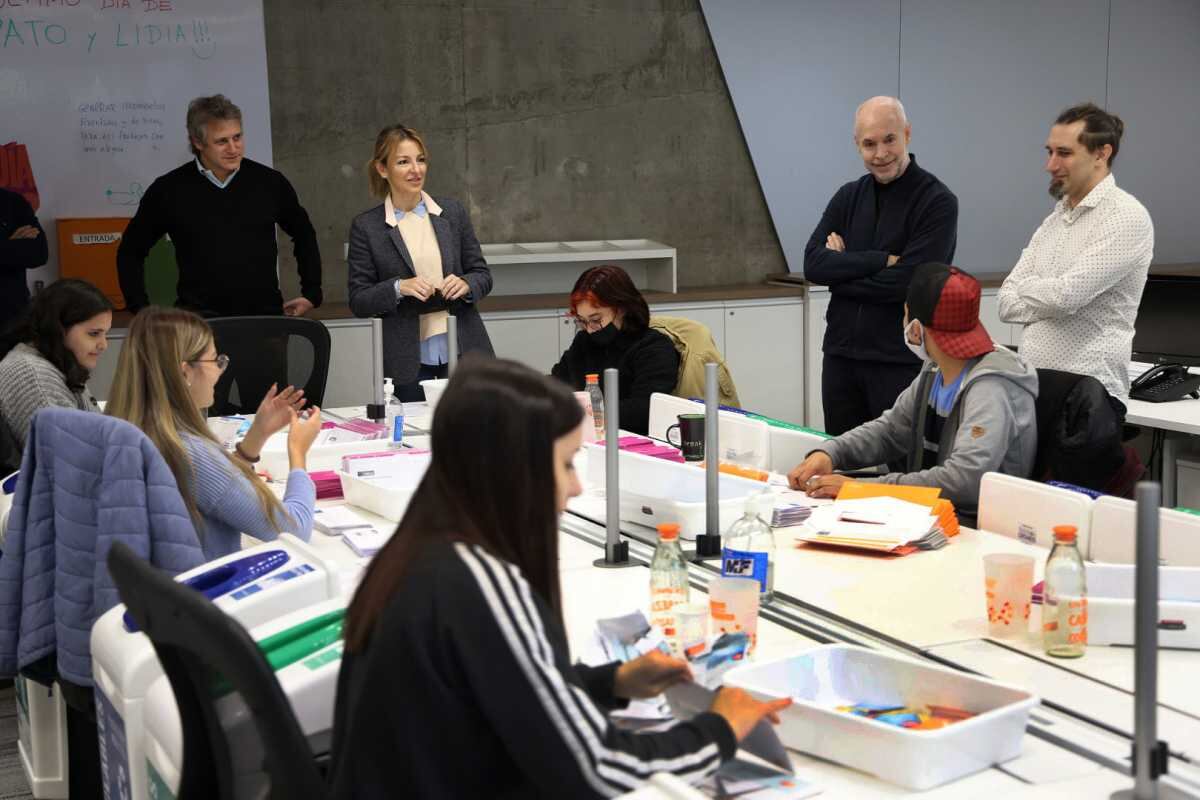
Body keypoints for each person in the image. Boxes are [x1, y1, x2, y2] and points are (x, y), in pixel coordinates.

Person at [330, 358, 790, 799]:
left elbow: (504, 691)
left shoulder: (420, 552)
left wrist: (611, 683)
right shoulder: (478, 583)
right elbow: (599, 771)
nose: (576, 486)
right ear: (516, 469)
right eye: (567, 463)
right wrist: (721, 729)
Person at [788, 264, 1038, 526]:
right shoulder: (935, 369)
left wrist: (866, 490)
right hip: (931, 515)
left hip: (980, 527)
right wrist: (831, 453)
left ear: (915, 328)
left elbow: (965, 481)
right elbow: (891, 431)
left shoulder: (991, 388)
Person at [105, 307, 323, 560]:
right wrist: (298, 453)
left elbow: (216, 489)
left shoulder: (124, 432)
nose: (221, 370)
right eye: (215, 361)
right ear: (185, 373)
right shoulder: (189, 452)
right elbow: (294, 531)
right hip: (205, 580)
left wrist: (257, 435)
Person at [804, 96, 959, 437]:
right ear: (856, 144)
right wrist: (879, 260)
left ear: (907, 134)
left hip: (899, 361)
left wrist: (841, 272)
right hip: (840, 358)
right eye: (869, 144)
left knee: (900, 462)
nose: (880, 154)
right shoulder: (848, 196)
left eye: (890, 140)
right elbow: (813, 264)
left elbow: (910, 282)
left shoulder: (937, 201)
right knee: (841, 459)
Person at [998, 102, 1153, 418]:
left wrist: (1030, 287)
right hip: (1033, 390)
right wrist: (1048, 293)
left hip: (1087, 398)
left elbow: (1066, 297)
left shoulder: (1125, 216)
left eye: (1064, 153)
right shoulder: (1055, 219)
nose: (1050, 165)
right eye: (1049, 152)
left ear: (1101, 154)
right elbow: (1005, 303)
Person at [116, 94, 323, 318]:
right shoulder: (168, 190)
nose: (233, 148)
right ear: (197, 142)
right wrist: (140, 309)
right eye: (222, 141)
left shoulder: (270, 183)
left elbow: (304, 233)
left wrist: (311, 292)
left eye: (237, 137)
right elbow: (130, 250)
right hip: (197, 324)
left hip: (265, 319)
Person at [347, 124, 495, 402]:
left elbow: (482, 275)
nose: (416, 170)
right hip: (406, 361)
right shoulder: (367, 227)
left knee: (474, 426)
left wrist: (466, 283)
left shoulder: (452, 212)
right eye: (403, 162)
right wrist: (398, 287)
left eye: (421, 159)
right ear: (382, 169)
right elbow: (359, 300)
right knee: (411, 430)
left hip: (465, 348)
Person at [551, 264, 679, 435]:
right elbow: (558, 383)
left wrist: (583, 412)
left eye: (595, 320)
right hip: (587, 435)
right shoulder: (584, 341)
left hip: (633, 440)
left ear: (622, 309)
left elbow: (645, 408)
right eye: (581, 321)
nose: (589, 329)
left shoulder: (654, 347)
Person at [0, 279, 112, 473]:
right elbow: (70, 467)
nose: (104, 345)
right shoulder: (33, 376)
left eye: (105, 334)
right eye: (94, 334)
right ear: (58, 329)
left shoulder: (56, 361)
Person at [0, 186, 48, 331]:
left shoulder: (12, 201)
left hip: (12, 319)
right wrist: (11, 244)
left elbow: (39, 254)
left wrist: (5, 245)